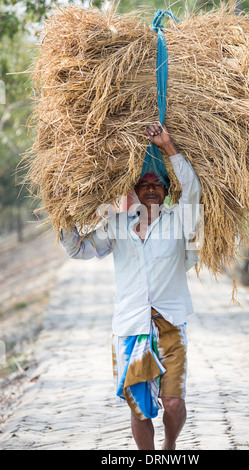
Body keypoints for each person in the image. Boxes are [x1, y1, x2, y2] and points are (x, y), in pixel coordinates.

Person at [58, 122, 202, 450]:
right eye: (144, 183)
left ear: (166, 191)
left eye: (158, 184)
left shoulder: (181, 220)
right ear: (135, 191)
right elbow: (78, 249)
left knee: (174, 404)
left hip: (169, 322)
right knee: (139, 411)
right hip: (129, 326)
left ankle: (169, 447)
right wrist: (62, 214)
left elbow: (193, 191)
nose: (151, 187)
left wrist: (169, 147)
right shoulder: (116, 224)